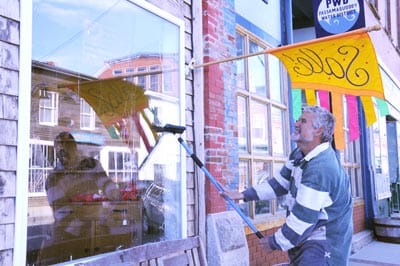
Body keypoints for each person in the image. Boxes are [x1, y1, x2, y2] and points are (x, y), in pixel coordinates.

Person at [222, 105, 353, 265]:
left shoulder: (320, 168)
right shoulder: (299, 154)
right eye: (298, 119)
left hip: (324, 244)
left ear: (319, 131)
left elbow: (303, 218)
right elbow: (278, 185)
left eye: (303, 121)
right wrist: (243, 195)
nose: (296, 123)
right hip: (306, 238)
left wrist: (275, 242)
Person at [41, 132, 120, 264]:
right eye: (59, 149)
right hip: (70, 236)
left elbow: (106, 183)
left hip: (98, 227)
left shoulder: (91, 164)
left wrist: (116, 194)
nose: (63, 151)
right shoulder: (53, 178)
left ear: (74, 147)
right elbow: (62, 212)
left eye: (67, 146)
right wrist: (86, 230)